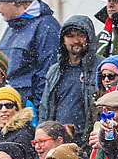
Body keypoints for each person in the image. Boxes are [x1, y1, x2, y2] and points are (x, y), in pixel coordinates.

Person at [0, 0, 61, 110]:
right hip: (8, 106)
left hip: (28, 107)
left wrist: (38, 109)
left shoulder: (46, 25)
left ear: (13, 1)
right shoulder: (11, 27)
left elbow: (48, 71)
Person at [41, 15, 100, 143]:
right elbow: (45, 109)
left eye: (81, 35)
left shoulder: (100, 67)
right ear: (63, 40)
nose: (76, 40)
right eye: (70, 36)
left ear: (89, 38)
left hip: (89, 140)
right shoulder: (55, 71)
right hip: (59, 140)